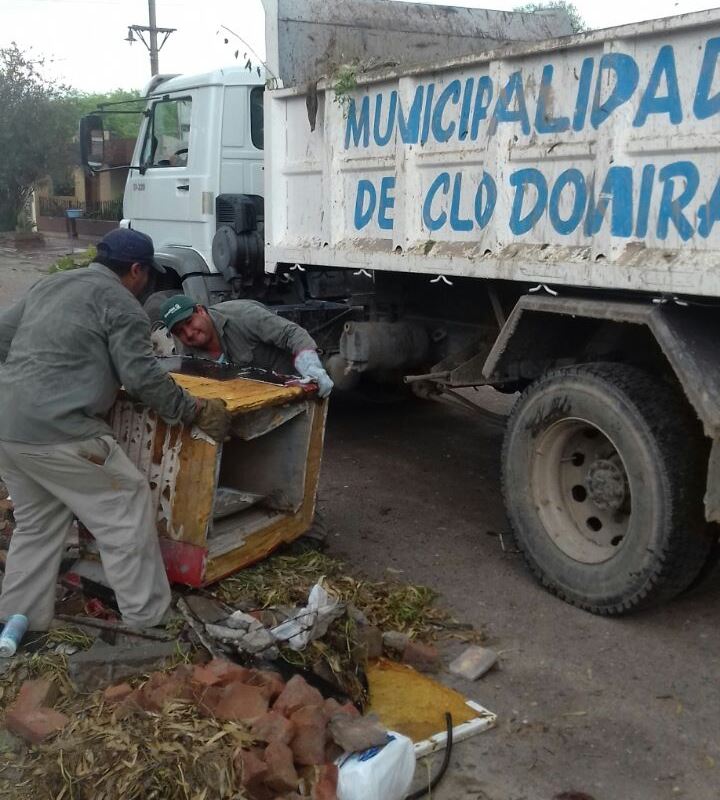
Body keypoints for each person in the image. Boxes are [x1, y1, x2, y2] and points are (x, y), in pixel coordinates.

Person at [0, 228, 231, 636]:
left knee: (38, 524)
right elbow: (141, 376)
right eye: (147, 276)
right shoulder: (121, 303)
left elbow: (2, 338)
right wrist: (191, 409)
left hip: (11, 429)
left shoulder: (51, 283)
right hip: (63, 431)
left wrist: (25, 389)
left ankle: (18, 623)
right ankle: (149, 621)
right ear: (137, 270)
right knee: (125, 506)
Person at [159, 295, 334, 397]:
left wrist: (311, 366)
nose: (188, 333)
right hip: (243, 398)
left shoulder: (243, 316)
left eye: (190, 322)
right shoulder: (185, 350)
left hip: (288, 389)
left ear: (201, 311)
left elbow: (291, 333)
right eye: (180, 332)